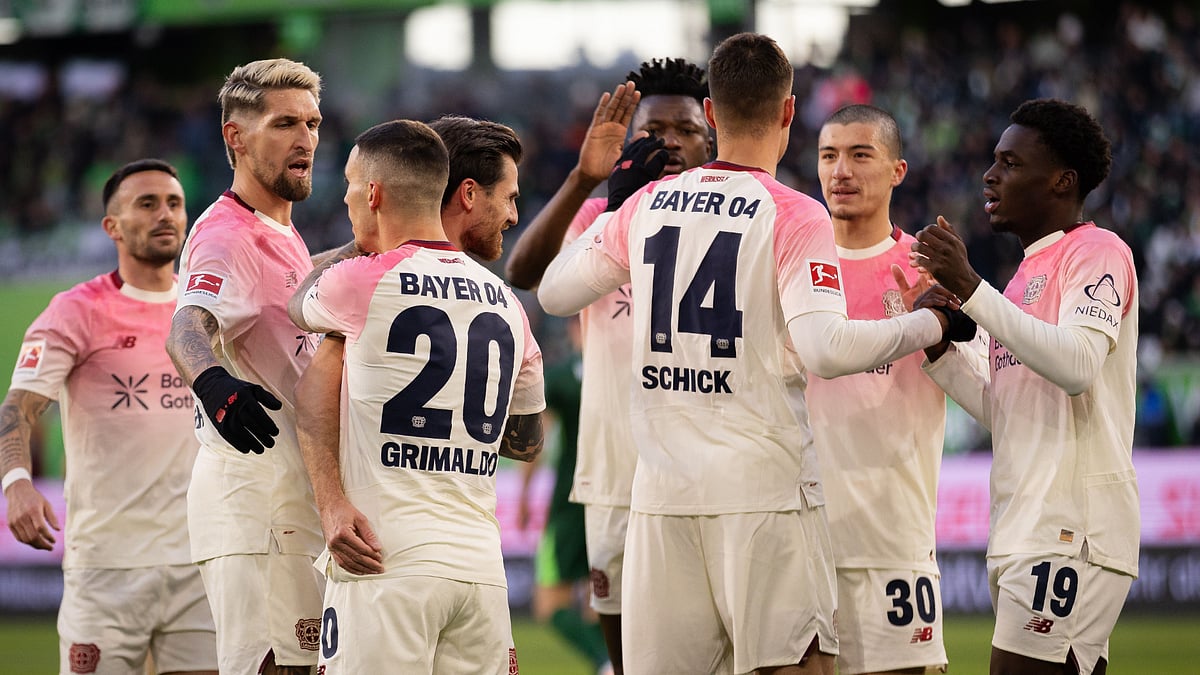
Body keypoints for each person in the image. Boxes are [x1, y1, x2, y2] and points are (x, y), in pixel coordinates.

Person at [538, 33, 952, 675]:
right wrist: (927, 324)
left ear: (710, 114)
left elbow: (557, 291)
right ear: (789, 113)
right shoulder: (795, 214)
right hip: (764, 493)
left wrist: (615, 206)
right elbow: (826, 347)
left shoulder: (643, 206)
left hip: (662, 497)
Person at [288, 119, 545, 674]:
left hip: (385, 560)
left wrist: (364, 242)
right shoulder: (510, 307)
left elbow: (295, 300)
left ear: (373, 194)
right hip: (479, 570)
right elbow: (525, 442)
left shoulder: (358, 285)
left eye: (354, 188)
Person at [913, 99, 1138, 675]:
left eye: (1010, 163)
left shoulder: (1099, 251)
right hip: (1023, 525)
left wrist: (970, 287)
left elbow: (1079, 365)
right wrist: (940, 349)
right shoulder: (1022, 279)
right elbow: (1006, 407)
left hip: (1073, 529)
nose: (991, 176)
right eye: (994, 161)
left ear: (1062, 181)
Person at [504, 58, 713, 673]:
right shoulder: (601, 217)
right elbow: (524, 274)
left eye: (684, 129)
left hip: (702, 468)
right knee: (622, 652)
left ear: (711, 140)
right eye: (653, 130)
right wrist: (585, 180)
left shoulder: (740, 221)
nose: (669, 142)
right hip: (613, 468)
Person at [2, 159, 217, 675]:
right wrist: (16, 483)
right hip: (108, 564)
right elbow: (19, 407)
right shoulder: (75, 311)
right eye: (146, 204)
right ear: (112, 227)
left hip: (202, 561)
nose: (164, 214)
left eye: (173, 203)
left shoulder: (210, 310)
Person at [164, 58, 326, 675]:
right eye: (285, 123)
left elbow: (289, 294)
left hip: (289, 499)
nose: (306, 138)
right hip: (251, 501)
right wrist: (213, 384)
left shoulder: (281, 232)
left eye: (312, 122)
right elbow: (186, 325)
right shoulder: (224, 234)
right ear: (236, 137)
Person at [808, 104, 980, 675]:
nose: (841, 171)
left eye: (861, 155)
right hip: (796, 540)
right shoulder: (785, 266)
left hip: (894, 545)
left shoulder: (932, 273)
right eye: (829, 155)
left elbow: (990, 397)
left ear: (898, 170)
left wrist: (934, 338)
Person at [515, 317, 610, 674]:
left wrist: (525, 497)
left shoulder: (562, 376)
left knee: (548, 604)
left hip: (570, 502)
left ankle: (603, 662)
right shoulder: (622, 372)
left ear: (576, 328)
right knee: (598, 602)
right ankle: (612, 660)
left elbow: (534, 444)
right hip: (617, 501)